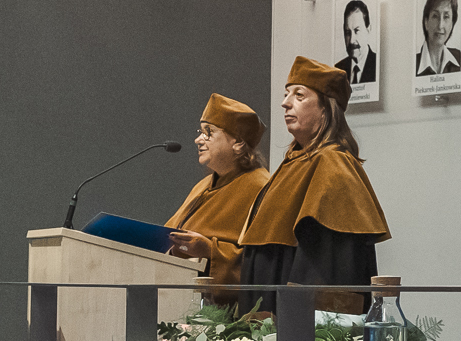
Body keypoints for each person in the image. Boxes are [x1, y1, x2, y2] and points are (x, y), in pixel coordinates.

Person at [236, 56, 390, 315]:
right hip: (267, 310)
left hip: (296, 317)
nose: (285, 103)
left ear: (326, 108)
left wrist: (296, 319)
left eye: (299, 95)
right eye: (286, 94)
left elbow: (330, 263)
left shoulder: (333, 165)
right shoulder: (293, 162)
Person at [164, 94, 271, 300]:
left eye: (208, 132)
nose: (198, 140)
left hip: (225, 311)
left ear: (238, 142)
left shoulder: (261, 187)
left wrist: (209, 250)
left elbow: (262, 263)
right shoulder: (203, 185)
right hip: (179, 297)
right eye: (200, 132)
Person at [416, 0, 461, 76]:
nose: (440, 25)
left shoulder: (460, 58)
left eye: (446, 17)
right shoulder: (413, 64)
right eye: (435, 16)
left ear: (452, 23)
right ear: (426, 22)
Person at [341, 0, 378, 86]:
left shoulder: (377, 64)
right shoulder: (338, 70)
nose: (351, 40)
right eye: (347, 33)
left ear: (368, 30)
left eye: (357, 31)